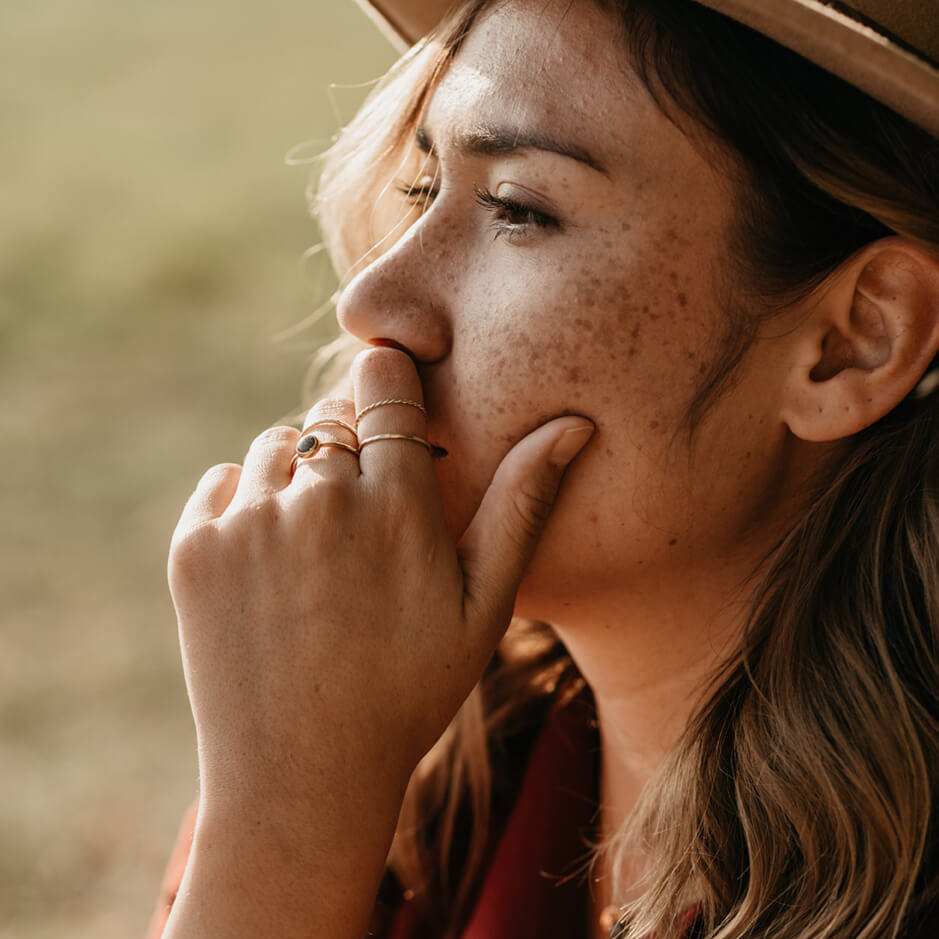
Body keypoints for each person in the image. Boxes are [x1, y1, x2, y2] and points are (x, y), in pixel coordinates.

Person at [148, 0, 939, 937]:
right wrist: (283, 811)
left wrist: (281, 842)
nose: (371, 301)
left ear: (851, 342)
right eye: (419, 186)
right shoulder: (388, 759)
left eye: (517, 208)